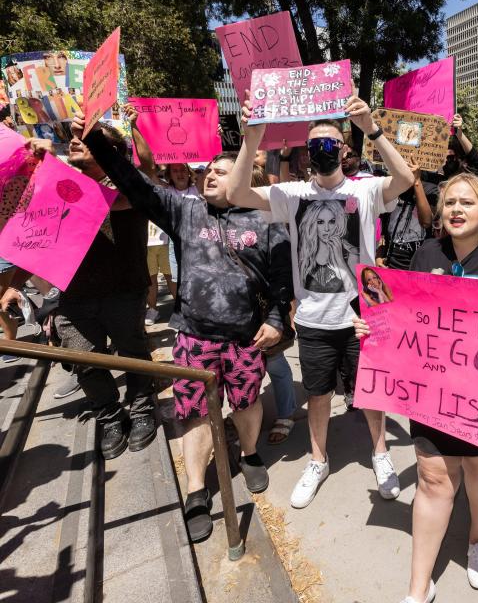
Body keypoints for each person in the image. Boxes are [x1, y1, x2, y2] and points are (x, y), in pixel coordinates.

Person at [74, 112, 293, 541]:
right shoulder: (185, 209)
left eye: (222, 171)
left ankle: (249, 454)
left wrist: (274, 319)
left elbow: (283, 277)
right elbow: (134, 183)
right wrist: (97, 141)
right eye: (208, 170)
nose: (210, 174)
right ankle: (196, 489)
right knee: (192, 413)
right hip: (193, 337)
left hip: (247, 338)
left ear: (245, 178)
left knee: (247, 404)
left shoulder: (269, 219)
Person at [354, 173, 478, 603]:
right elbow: (404, 313)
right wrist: (372, 324)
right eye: (449, 203)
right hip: (434, 392)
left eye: (467, 202)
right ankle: (417, 586)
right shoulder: (427, 252)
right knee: (432, 477)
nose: (456, 210)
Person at [227, 93, 415, 509]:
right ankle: (318, 460)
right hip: (313, 317)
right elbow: (236, 193)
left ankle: (380, 453)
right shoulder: (293, 195)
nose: (324, 151)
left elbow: (404, 179)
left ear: (344, 149)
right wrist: (251, 140)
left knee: (369, 391)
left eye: (331, 143)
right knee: (318, 396)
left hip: (360, 316)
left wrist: (374, 129)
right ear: (307, 153)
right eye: (316, 146)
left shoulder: (365, 191)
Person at [26, 123, 157, 459]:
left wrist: (51, 165)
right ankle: (110, 416)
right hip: (75, 295)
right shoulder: (56, 185)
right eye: (72, 139)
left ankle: (142, 411)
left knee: (134, 354)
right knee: (85, 361)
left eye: (85, 140)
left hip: (123, 291)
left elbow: (115, 200)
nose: (73, 142)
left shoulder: (129, 185)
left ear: (110, 151)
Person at [379, 163, 436, 270]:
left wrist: (416, 181)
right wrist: (379, 255)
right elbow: (384, 232)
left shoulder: (430, 190)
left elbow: (426, 222)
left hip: (417, 268)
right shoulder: (391, 188)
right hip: (390, 265)